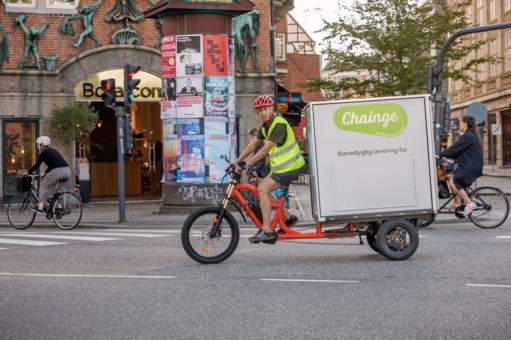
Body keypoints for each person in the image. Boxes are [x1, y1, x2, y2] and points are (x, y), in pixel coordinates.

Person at [235, 95, 307, 243]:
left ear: (271, 109)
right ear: (257, 113)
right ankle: (289, 217)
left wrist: (246, 164)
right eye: (260, 110)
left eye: (266, 109)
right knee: (261, 188)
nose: (263, 112)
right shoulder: (265, 127)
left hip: (291, 167)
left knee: (262, 190)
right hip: (281, 168)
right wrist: (237, 161)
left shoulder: (278, 124)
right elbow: (252, 146)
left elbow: (264, 150)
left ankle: (267, 230)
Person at [439, 116, 483, 215]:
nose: (459, 125)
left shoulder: (467, 136)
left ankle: (470, 203)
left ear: (465, 124)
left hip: (470, 166)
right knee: (450, 177)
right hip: (471, 165)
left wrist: (442, 154)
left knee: (453, 182)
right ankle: (457, 202)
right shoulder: (470, 135)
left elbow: (455, 148)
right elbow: (459, 151)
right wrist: (447, 156)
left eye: (460, 123)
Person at [25, 136, 71, 214]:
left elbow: (36, 166)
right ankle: (58, 208)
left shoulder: (43, 153)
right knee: (58, 191)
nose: (37, 147)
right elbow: (53, 164)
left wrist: (28, 172)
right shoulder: (53, 151)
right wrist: (45, 173)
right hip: (67, 171)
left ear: (42, 145)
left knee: (43, 186)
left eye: (37, 144)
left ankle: (40, 208)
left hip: (57, 172)